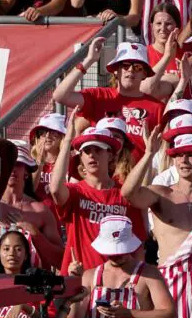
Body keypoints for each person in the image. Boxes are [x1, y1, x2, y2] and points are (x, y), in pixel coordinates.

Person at [121, 129, 192, 318]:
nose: (184, 160)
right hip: (168, 285)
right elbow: (128, 193)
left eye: (190, 154)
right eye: (178, 155)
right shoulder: (161, 194)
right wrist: (149, 154)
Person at [49, 111, 146, 272]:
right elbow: (54, 189)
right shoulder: (75, 192)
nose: (92, 155)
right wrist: (67, 141)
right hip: (78, 280)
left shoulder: (125, 193)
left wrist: (136, 278)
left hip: (115, 281)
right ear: (81, 158)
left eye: (98, 150)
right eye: (86, 151)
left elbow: (137, 244)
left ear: (110, 155)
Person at [65, 215, 177, 318]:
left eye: (121, 251)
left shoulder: (149, 274)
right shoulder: (89, 277)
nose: (116, 255)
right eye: (112, 252)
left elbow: (169, 316)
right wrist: (75, 282)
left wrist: (129, 314)